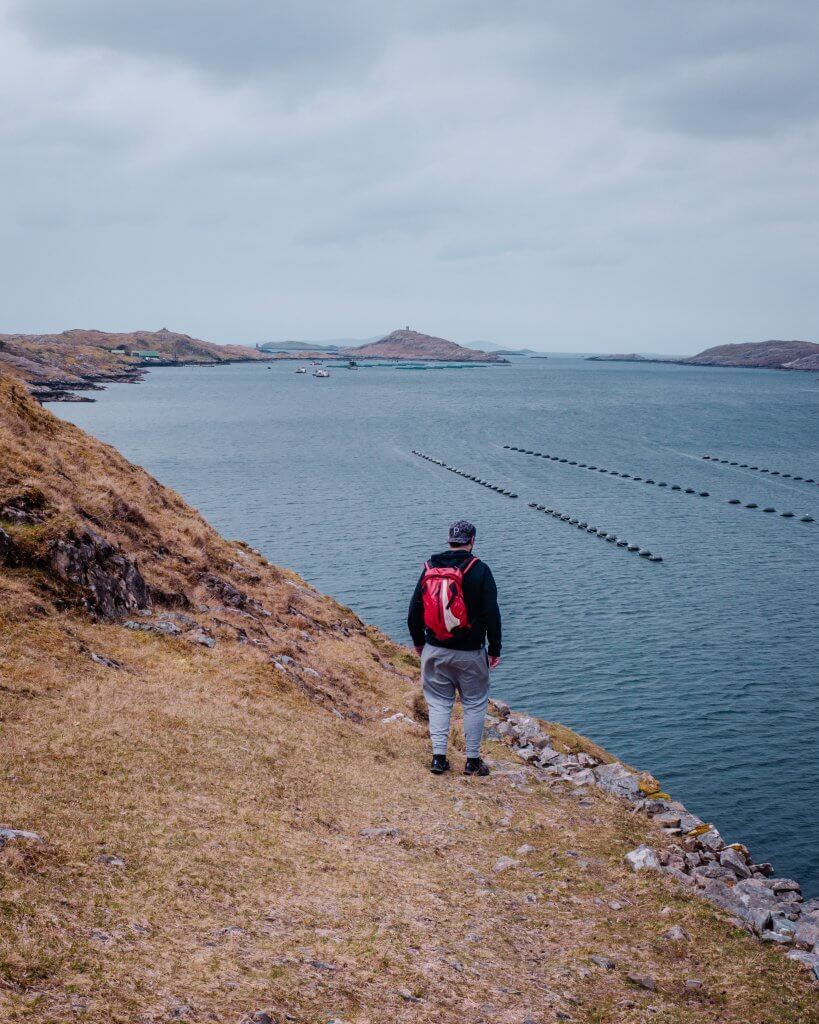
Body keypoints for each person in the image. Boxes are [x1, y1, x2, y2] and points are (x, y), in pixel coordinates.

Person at [407, 519, 502, 776]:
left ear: (450, 540)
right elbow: (492, 614)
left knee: (438, 703)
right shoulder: (480, 570)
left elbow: (414, 611)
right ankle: (472, 761)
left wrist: (419, 643)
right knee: (474, 703)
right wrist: (494, 649)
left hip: (434, 649)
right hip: (470, 652)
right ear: (472, 541)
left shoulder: (429, 568)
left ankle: (439, 758)